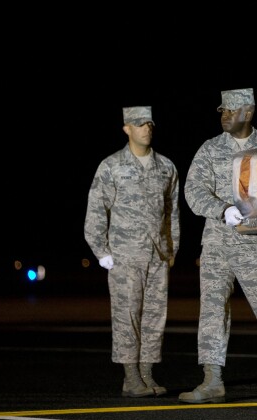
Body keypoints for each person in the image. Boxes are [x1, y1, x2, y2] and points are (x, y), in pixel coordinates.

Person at [180, 88, 257, 404]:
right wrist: (221, 209)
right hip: (216, 240)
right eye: (222, 111)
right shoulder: (210, 149)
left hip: (255, 242)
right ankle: (212, 380)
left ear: (247, 112)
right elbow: (193, 191)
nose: (224, 116)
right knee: (211, 307)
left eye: (230, 111)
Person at [84, 106, 180, 398]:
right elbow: (96, 210)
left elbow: (171, 212)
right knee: (127, 317)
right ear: (126, 128)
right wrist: (101, 251)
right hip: (125, 255)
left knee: (154, 316)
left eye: (149, 123)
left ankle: (147, 374)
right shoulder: (111, 166)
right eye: (139, 124)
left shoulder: (166, 167)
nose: (146, 129)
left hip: (157, 255)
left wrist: (172, 247)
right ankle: (130, 377)